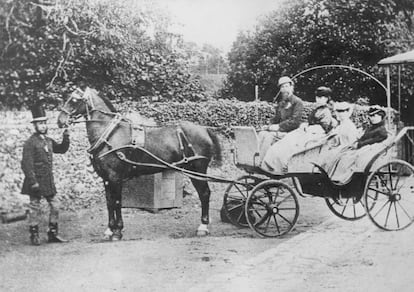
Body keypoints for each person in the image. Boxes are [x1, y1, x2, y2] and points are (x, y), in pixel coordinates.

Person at [21, 100, 70, 245]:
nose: (43, 126)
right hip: (35, 180)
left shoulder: (48, 141)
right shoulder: (30, 143)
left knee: (55, 205)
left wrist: (66, 136)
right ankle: (34, 234)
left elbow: (61, 149)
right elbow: (26, 165)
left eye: (44, 123)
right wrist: (33, 182)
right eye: (40, 124)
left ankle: (52, 233)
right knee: (34, 206)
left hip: (48, 180)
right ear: (35, 126)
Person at [261, 86, 336, 175]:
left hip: (315, 136)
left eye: (322, 97)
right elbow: (311, 122)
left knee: (292, 144)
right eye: (318, 97)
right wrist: (305, 125)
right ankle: (272, 164)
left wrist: (308, 128)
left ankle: (280, 165)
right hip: (308, 132)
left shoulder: (326, 111)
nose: (319, 99)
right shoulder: (317, 109)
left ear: (327, 99)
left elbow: (324, 128)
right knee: (286, 141)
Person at [327, 105, 389, 184]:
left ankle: (344, 178)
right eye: (371, 116)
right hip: (363, 147)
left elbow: (371, 141)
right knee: (342, 154)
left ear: (381, 116)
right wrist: (357, 142)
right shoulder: (371, 127)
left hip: (370, 151)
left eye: (374, 116)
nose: (372, 118)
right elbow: (364, 138)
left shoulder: (381, 130)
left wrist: (359, 144)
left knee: (348, 157)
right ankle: (335, 177)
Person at [258, 76, 304, 161]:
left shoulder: (297, 102)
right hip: (280, 131)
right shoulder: (281, 103)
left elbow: (295, 122)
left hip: (291, 133)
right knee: (262, 133)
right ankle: (255, 159)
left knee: (269, 136)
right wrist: (269, 126)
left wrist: (278, 127)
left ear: (291, 87)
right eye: (282, 87)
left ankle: (262, 161)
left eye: (286, 86)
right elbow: (276, 119)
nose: (284, 89)